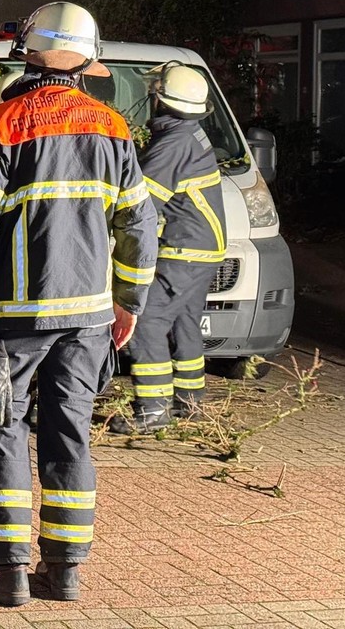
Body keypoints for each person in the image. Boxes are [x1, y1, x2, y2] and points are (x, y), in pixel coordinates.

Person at [0, 2, 159, 605]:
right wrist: (129, 301)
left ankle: (3, 571)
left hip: (15, 317)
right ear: (88, 62)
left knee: (0, 427)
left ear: (28, 56)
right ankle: (64, 570)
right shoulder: (113, 126)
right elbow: (139, 223)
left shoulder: (4, 122)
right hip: (89, 318)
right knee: (70, 433)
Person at [110, 63, 226, 434]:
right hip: (201, 249)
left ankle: (152, 410)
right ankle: (190, 405)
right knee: (184, 322)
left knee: (148, 322)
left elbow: (141, 204)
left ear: (162, 100)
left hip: (183, 250)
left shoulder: (173, 144)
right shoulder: (190, 134)